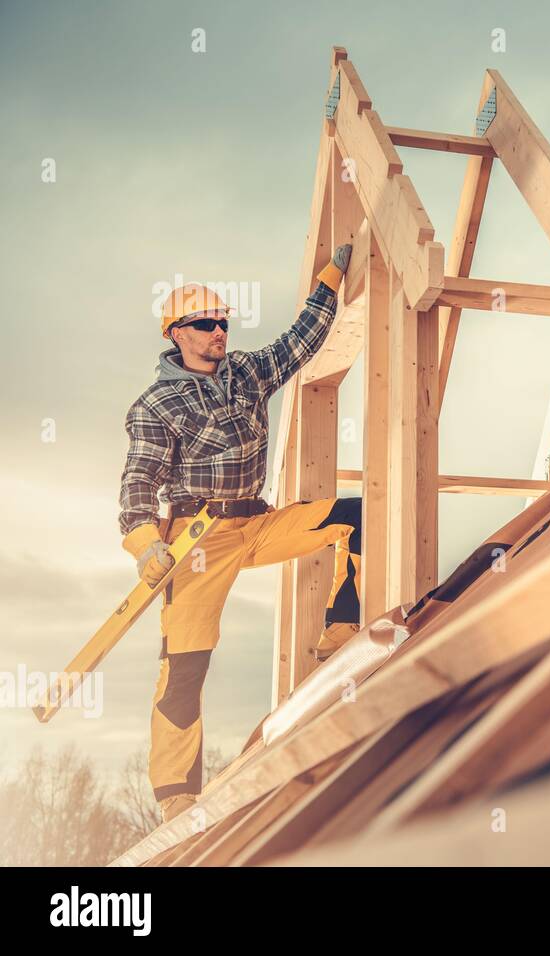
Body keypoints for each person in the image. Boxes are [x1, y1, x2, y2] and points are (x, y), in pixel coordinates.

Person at [118, 245, 361, 822]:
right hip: (195, 543)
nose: (219, 330)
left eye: (224, 321)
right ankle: (177, 794)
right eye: (207, 323)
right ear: (177, 333)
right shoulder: (156, 404)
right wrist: (142, 543)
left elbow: (300, 342)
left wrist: (328, 284)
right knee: (184, 666)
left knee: (356, 513)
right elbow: (138, 481)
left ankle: (342, 627)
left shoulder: (248, 372)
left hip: (257, 521)